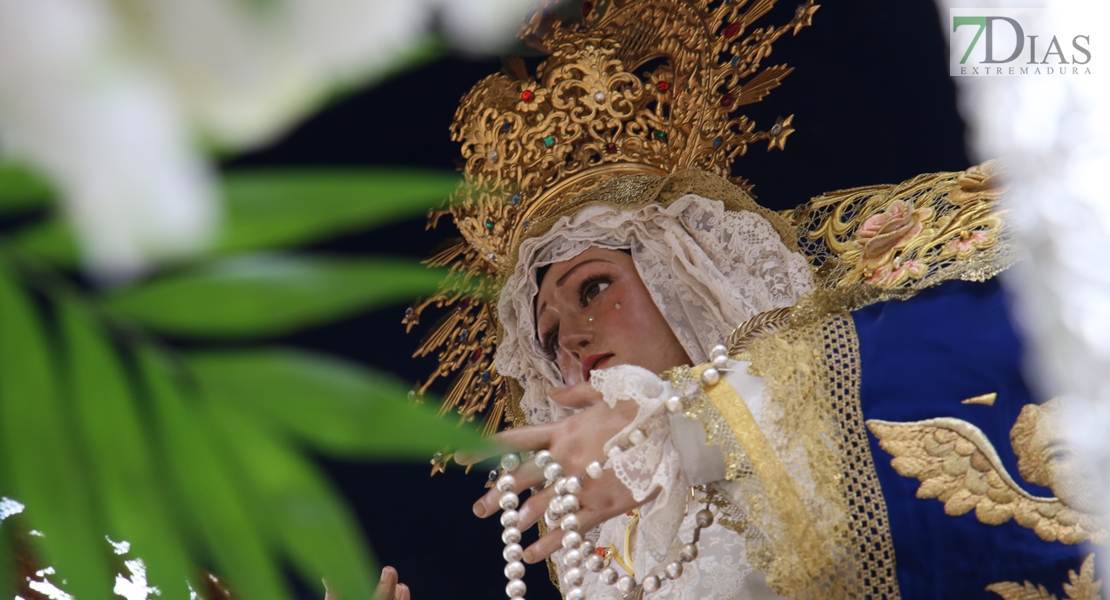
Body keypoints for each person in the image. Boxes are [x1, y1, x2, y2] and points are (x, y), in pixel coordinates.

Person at [397, 1, 1104, 598]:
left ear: (688, 272)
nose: (572, 339)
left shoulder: (854, 351)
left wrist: (692, 430)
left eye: (594, 287)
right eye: (547, 336)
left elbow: (1024, 331)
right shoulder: (609, 562)